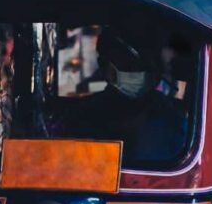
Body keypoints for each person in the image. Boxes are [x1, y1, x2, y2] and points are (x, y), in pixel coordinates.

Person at [60, 25, 188, 164]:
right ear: (104, 66)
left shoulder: (173, 119)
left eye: (145, 66)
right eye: (129, 66)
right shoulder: (82, 117)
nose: (138, 73)